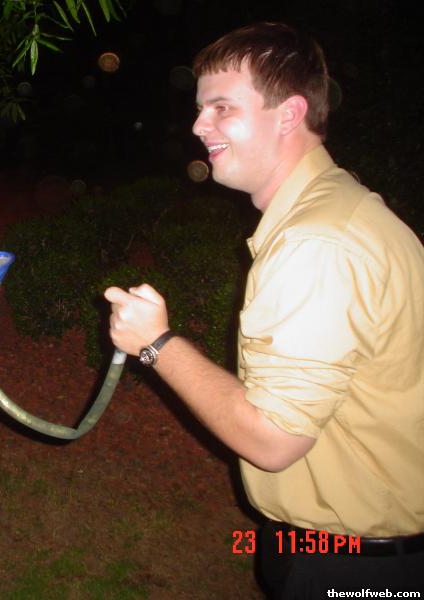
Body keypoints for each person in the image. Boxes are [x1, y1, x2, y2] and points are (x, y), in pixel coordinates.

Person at [105, 22, 424, 597]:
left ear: (288, 114)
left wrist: (156, 343)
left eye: (222, 107)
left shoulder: (316, 243)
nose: (198, 125)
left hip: (356, 565)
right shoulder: (345, 209)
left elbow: (273, 441)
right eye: (200, 108)